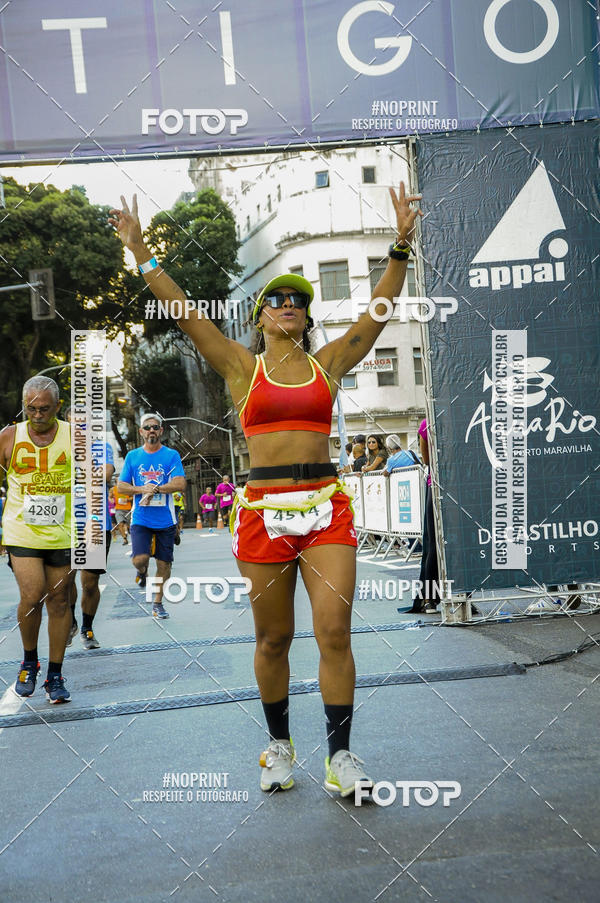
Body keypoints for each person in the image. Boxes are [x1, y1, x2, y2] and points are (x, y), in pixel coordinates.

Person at [109, 182, 422, 797]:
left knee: (335, 632)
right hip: (263, 514)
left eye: (297, 301)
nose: (288, 305)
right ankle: (278, 745)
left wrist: (400, 249)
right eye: (276, 299)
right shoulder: (238, 367)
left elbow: (377, 314)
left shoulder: (327, 363)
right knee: (273, 637)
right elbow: (186, 313)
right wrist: (142, 251)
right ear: (261, 316)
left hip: (325, 508)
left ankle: (341, 758)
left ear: (305, 316)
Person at [0, 376, 74, 703]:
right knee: (32, 596)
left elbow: (103, 470)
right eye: (31, 408)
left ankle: (55, 675)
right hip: (22, 529)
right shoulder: (7, 437)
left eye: (44, 408)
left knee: (59, 601)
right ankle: (30, 661)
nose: (37, 414)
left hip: (64, 531)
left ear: (57, 406)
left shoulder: (77, 437)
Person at [117, 413, 186, 619]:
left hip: (165, 519)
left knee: (164, 565)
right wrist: (141, 489)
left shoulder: (171, 455)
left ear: (161, 431)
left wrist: (157, 489)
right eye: (147, 428)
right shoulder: (133, 457)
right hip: (141, 518)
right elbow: (121, 486)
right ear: (141, 432)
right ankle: (141, 572)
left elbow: (180, 484)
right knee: (140, 559)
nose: (151, 431)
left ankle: (157, 604)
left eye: (155, 427)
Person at [65, 407, 114, 650]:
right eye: (76, 424)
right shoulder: (58, 450)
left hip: (95, 525)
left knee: (90, 583)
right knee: (64, 580)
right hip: (66, 527)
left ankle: (87, 627)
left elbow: (104, 475)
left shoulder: (101, 448)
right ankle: (71, 621)